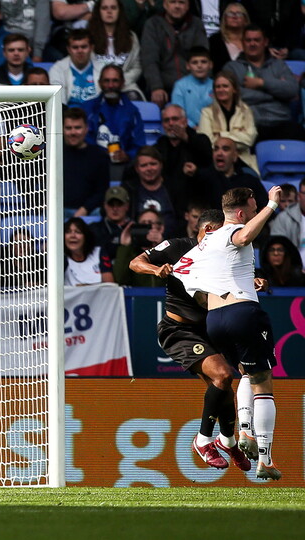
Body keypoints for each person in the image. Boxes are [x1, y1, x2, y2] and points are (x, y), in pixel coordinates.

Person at [173, 185, 283, 480]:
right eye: (252, 208)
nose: (253, 212)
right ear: (240, 212)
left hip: (214, 319)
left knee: (245, 373)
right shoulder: (236, 231)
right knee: (262, 380)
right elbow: (245, 235)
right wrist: (272, 206)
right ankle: (265, 458)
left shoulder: (203, 245)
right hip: (242, 312)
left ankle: (244, 431)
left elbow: (179, 272)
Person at [129, 209, 252, 472]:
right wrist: (156, 269)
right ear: (208, 231)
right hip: (179, 330)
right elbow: (134, 262)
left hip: (211, 327)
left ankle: (228, 441)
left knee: (223, 387)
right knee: (222, 375)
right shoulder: (177, 247)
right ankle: (204, 439)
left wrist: (255, 281)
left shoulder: (223, 254)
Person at [223, 26, 302, 141]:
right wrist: (277, 92)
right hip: (249, 124)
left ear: (265, 42)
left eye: (257, 40)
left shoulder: (278, 65)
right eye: (248, 40)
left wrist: (261, 83)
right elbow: (233, 96)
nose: (252, 44)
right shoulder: (232, 68)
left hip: (280, 121)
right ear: (242, 43)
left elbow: (292, 90)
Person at [140, 0, 208, 108]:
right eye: (173, 2)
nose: (177, 6)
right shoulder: (153, 24)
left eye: (181, 2)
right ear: (165, 5)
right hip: (163, 87)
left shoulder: (196, 24)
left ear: (187, 6)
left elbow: (203, 57)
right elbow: (150, 60)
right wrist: (156, 87)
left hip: (192, 86)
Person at [82, 64, 145, 164]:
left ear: (122, 83)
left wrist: (128, 155)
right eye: (106, 81)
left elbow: (139, 144)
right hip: (93, 163)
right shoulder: (87, 108)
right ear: (99, 83)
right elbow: (83, 140)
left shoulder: (132, 112)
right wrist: (99, 153)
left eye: (115, 81)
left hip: (124, 166)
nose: (110, 86)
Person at [197, 71, 257, 172]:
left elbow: (249, 139)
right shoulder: (207, 112)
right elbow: (206, 142)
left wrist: (220, 134)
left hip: (244, 161)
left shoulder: (245, 111)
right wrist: (237, 136)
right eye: (218, 87)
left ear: (234, 89)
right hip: (217, 163)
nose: (221, 90)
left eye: (225, 86)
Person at [192, 137, 267, 211]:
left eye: (225, 149)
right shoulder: (202, 178)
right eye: (216, 149)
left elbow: (264, 208)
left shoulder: (249, 181)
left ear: (235, 156)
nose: (219, 153)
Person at [87, 0, 142, 99]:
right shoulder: (88, 38)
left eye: (113, 8)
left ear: (119, 11)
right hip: (94, 85)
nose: (109, 11)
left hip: (125, 86)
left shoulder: (131, 38)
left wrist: (118, 81)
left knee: (133, 97)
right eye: (104, 8)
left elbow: (137, 68)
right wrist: (104, 82)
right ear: (98, 11)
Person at [153, 103, 212, 192]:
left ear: (185, 122)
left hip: (196, 194)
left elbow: (207, 158)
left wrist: (185, 137)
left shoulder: (200, 140)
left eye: (175, 119)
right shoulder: (159, 145)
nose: (171, 123)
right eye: (166, 120)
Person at [62, 107, 109, 218]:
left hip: (88, 212)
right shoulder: (51, 154)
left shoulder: (99, 156)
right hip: (57, 211)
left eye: (77, 128)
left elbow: (102, 192)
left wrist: (84, 210)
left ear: (86, 129)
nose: (73, 132)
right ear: (62, 129)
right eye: (68, 128)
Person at [49, 29, 103, 107]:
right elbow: (59, 104)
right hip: (69, 115)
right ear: (68, 49)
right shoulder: (57, 69)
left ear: (91, 48)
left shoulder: (102, 69)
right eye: (75, 47)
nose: (80, 51)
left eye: (84, 47)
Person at [171, 47, 214, 127]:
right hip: (188, 130)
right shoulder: (180, 85)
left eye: (203, 62)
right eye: (194, 62)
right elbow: (177, 113)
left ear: (210, 65)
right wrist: (192, 126)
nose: (199, 66)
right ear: (188, 66)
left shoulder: (215, 85)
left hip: (212, 129)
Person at [64, 216, 113, 285]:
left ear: (86, 237)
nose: (73, 235)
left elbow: (110, 286)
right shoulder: (61, 258)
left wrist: (86, 288)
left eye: (78, 232)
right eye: (68, 232)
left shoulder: (99, 252)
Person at [90, 185, 132, 259]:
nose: (115, 209)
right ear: (105, 206)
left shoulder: (134, 228)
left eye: (119, 204)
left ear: (127, 206)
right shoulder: (94, 229)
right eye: (111, 204)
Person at [267, 178, 305, 259]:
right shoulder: (282, 219)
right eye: (283, 201)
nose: (287, 205)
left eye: (290, 201)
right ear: (299, 196)